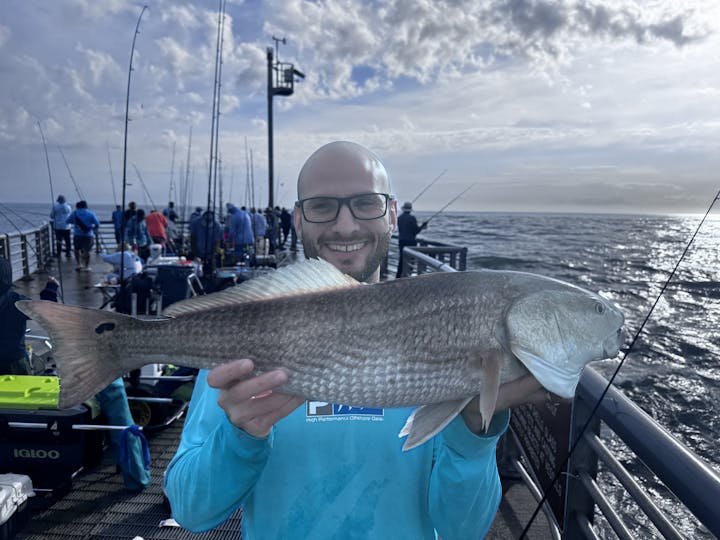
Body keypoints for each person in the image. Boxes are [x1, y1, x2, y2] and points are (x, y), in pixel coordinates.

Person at [165, 141, 546, 538]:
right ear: (297, 219)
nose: (345, 226)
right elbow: (191, 510)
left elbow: (462, 530)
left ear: (393, 213)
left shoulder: (448, 336)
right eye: (322, 206)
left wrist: (474, 433)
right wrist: (240, 437)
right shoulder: (247, 335)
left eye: (366, 203)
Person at [0, 257, 59, 374]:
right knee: (19, 391)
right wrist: (51, 288)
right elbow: (47, 311)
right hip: (14, 361)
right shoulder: (17, 301)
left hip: (14, 360)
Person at [396, 201, 428, 278]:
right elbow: (415, 231)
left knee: (402, 259)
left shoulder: (399, 218)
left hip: (401, 241)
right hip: (410, 242)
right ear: (410, 210)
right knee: (410, 260)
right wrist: (423, 226)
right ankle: (407, 276)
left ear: (404, 209)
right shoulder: (412, 218)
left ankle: (398, 276)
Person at [67, 200, 100, 271]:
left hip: (77, 234)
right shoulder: (91, 213)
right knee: (87, 251)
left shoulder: (74, 213)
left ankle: (79, 264)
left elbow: (67, 221)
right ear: (86, 206)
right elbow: (97, 224)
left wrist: (75, 222)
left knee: (76, 249)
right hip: (88, 234)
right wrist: (91, 228)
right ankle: (86, 266)